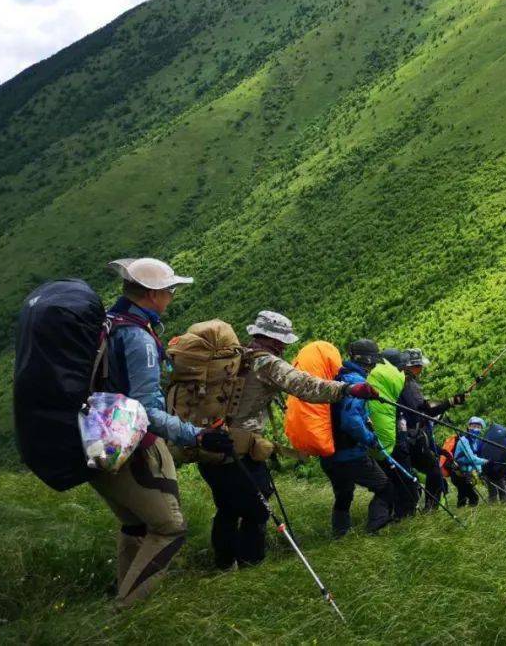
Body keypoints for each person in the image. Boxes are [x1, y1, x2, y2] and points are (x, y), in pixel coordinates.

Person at [91, 257, 232, 607]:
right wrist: (196, 435)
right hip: (130, 442)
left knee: (135, 524)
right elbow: (146, 411)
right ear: (153, 294)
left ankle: (123, 592)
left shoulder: (108, 323)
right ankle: (125, 611)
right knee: (169, 527)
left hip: (95, 435)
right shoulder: (137, 337)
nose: (171, 296)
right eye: (169, 290)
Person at [198, 312, 376, 569]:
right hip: (239, 449)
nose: (284, 347)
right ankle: (251, 565)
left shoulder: (234, 357)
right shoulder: (266, 364)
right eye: (282, 342)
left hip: (207, 443)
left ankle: (224, 565)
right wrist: (346, 389)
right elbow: (304, 385)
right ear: (273, 340)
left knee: (226, 507)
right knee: (257, 509)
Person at [320, 339, 395, 537]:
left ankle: (340, 534)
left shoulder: (338, 378)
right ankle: (374, 529)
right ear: (368, 361)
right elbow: (351, 422)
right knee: (385, 487)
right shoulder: (356, 382)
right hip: (350, 454)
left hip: (329, 453)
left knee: (344, 494)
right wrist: (370, 439)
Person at [394, 348, 464, 514]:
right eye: (419, 366)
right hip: (411, 437)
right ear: (411, 367)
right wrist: (450, 402)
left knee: (408, 474)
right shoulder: (409, 384)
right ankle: (429, 509)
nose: (421, 370)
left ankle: (407, 510)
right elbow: (424, 410)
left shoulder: (398, 382)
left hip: (402, 435)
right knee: (433, 470)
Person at [366, 349, 409, 517]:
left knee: (388, 483)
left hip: (377, 442)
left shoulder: (371, 380)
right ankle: (383, 520)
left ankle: (391, 516)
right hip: (388, 444)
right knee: (391, 484)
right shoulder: (397, 383)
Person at [451, 416, 488, 507]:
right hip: (458, 473)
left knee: (462, 496)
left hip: (466, 473)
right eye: (474, 426)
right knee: (474, 497)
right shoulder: (464, 441)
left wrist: (480, 472)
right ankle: (470, 516)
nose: (476, 429)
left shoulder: (475, 442)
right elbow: (472, 459)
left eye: (478, 427)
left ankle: (462, 513)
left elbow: (475, 457)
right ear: (469, 427)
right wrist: (486, 461)